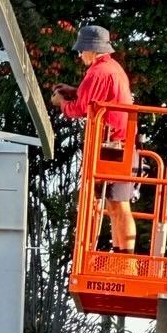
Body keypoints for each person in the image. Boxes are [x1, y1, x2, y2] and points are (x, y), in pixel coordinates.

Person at [51, 24, 137, 258]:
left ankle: (126, 261)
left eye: (81, 50)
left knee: (120, 205)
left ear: (92, 49)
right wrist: (73, 91)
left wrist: (62, 103)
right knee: (114, 205)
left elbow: (81, 108)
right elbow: (92, 97)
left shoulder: (98, 72)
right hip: (118, 142)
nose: (80, 55)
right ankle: (121, 256)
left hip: (113, 144)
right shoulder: (112, 68)